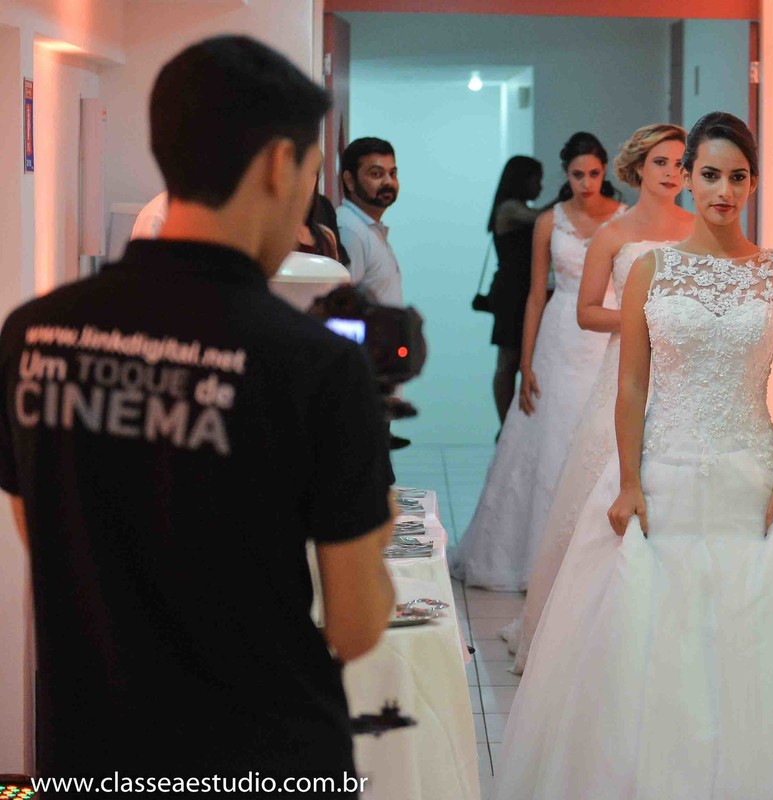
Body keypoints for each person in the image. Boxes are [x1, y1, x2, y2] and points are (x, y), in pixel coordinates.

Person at [0, 36, 395, 787]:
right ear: (281, 165)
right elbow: (354, 625)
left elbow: (45, 532)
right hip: (261, 756)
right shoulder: (315, 364)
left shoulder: (34, 332)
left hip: (92, 751)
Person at [492, 112, 773, 799]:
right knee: (654, 646)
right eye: (710, 174)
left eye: (738, 176)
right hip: (666, 473)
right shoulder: (652, 271)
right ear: (687, 178)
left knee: (766, 646)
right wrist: (627, 483)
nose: (724, 190)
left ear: (753, 182)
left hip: (754, 475)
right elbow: (631, 387)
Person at [499, 123, 695, 673]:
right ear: (638, 167)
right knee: (604, 484)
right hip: (625, 368)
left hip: (684, 378)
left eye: (683, 164)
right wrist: (649, 320)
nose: (673, 173)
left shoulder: (700, 228)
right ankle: (590, 629)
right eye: (663, 162)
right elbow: (586, 312)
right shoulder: (615, 232)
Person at [450, 132, 626, 591]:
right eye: (577, 174)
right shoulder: (550, 220)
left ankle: (601, 558)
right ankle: (533, 557)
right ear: (565, 174)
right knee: (549, 434)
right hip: (561, 330)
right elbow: (533, 296)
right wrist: (526, 363)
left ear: (605, 170)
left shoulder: (624, 219)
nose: (587, 183)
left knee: (605, 433)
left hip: (610, 329)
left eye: (594, 173)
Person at [485, 156, 544, 424]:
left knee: (517, 358)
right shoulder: (510, 209)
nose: (540, 187)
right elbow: (542, 219)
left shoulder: (513, 207)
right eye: (536, 180)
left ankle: (512, 423)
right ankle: (505, 424)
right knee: (508, 361)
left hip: (518, 289)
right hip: (511, 291)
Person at [336, 137, 402, 307]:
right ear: (350, 181)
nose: (388, 181)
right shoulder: (350, 231)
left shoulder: (368, 228)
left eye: (392, 173)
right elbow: (345, 309)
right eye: (376, 174)